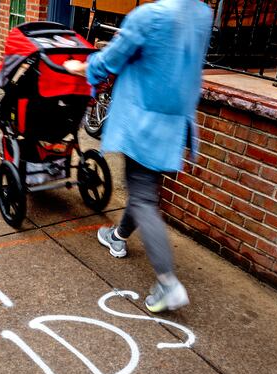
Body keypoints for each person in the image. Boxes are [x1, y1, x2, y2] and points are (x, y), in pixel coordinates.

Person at [64, 0, 213, 313]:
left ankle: (167, 283)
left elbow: (111, 59)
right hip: (173, 122)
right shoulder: (201, 14)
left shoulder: (149, 16)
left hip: (143, 120)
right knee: (144, 187)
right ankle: (117, 236)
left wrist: (81, 67)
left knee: (144, 196)